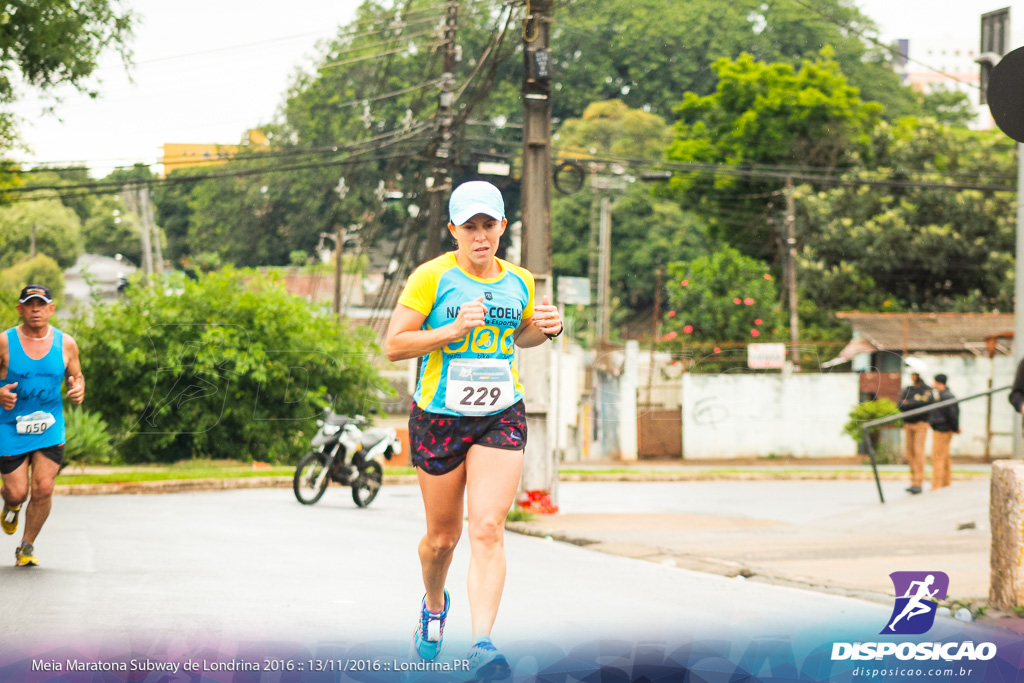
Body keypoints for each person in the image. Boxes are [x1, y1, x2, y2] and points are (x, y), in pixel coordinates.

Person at [384, 180, 562, 679]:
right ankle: (434, 604)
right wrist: (450, 331)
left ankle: (483, 642)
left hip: (500, 411)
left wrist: (547, 328)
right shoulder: (432, 278)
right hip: (439, 415)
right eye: (470, 227)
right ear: (454, 231)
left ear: (503, 227)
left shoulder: (520, 280)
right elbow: (394, 345)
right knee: (443, 539)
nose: (480, 236)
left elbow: (522, 336)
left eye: (489, 225)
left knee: (488, 528)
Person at [0, 285, 85, 566]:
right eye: (29, 304)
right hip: (9, 426)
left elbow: (77, 376)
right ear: (20, 309)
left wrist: (78, 389)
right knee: (17, 491)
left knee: (44, 488)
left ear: (51, 308)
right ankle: (11, 505)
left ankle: (26, 546)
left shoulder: (66, 343)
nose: (35, 309)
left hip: (49, 426)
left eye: (41, 304)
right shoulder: (4, 342)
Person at [897, 370, 933, 495]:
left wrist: (910, 403)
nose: (912, 377)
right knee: (909, 453)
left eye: (914, 374)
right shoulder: (908, 389)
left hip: (920, 424)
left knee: (919, 452)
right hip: (908, 424)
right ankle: (913, 481)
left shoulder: (926, 389)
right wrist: (913, 403)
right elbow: (900, 404)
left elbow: (926, 402)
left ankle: (919, 482)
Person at [927, 374, 959, 491]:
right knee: (944, 457)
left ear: (939, 383)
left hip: (942, 430)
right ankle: (946, 483)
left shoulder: (946, 397)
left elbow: (953, 414)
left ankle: (936, 485)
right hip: (945, 429)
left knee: (937, 458)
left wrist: (955, 427)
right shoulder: (944, 396)